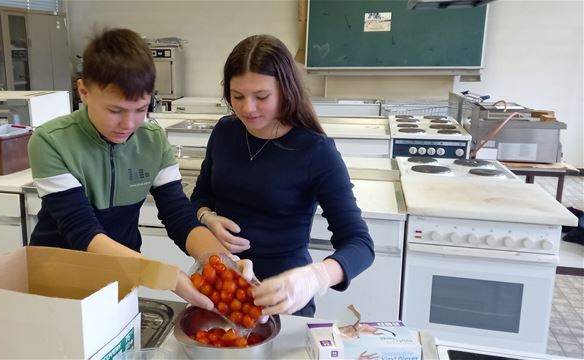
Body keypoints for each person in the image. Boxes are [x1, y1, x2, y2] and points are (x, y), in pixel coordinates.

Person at [27, 28, 250, 309]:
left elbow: (179, 216)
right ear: (83, 91)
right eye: (115, 110)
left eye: (141, 109)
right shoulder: (51, 141)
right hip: (59, 278)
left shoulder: (153, 141)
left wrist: (221, 262)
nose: (129, 124)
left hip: (123, 275)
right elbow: (84, 232)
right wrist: (166, 276)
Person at [190, 34, 374, 317]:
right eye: (237, 96)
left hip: (283, 296)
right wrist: (206, 218)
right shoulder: (225, 132)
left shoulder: (316, 151)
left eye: (261, 97)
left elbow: (360, 244)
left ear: (286, 91)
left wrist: (316, 277)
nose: (247, 108)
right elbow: (201, 195)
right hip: (221, 287)